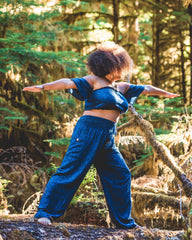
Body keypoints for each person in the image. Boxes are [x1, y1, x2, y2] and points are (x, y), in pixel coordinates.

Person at [23, 41, 179, 228]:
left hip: (107, 137)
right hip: (88, 130)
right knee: (71, 171)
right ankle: (45, 213)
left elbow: (146, 88)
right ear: (107, 65)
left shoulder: (121, 88)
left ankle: (124, 222)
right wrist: (42, 87)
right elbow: (68, 82)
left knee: (121, 174)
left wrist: (167, 94)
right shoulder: (94, 81)